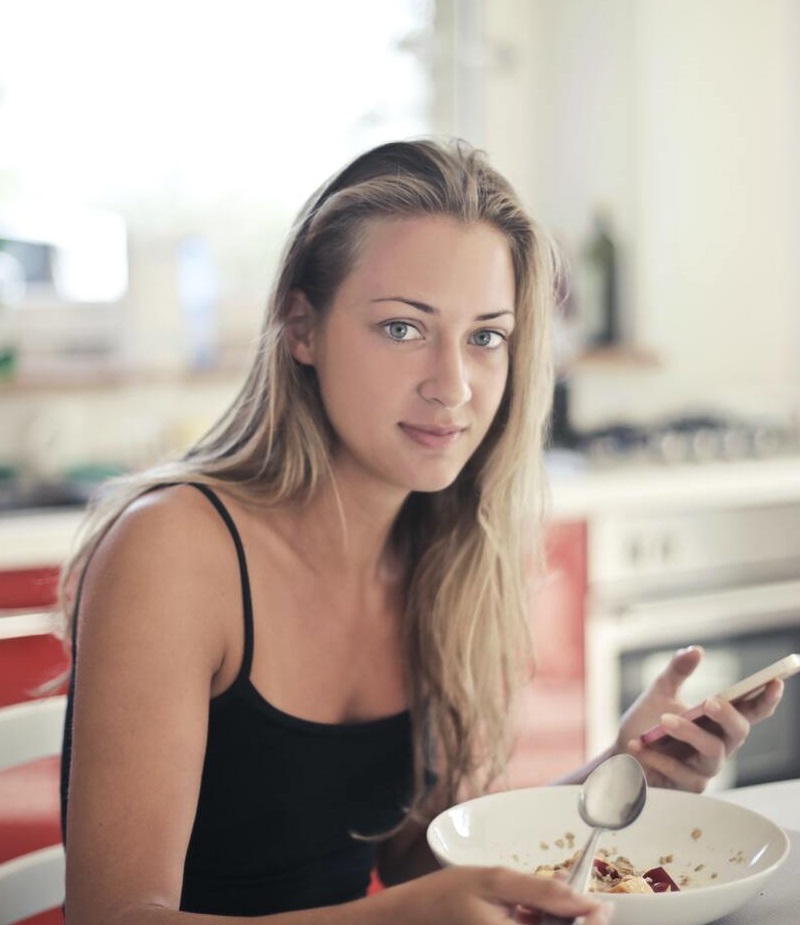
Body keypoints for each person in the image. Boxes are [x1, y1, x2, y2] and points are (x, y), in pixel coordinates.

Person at [59, 138, 783, 925]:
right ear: (302, 326)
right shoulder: (174, 551)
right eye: (404, 328)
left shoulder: (439, 552)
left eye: (486, 337)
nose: (453, 385)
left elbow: (414, 859)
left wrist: (619, 774)